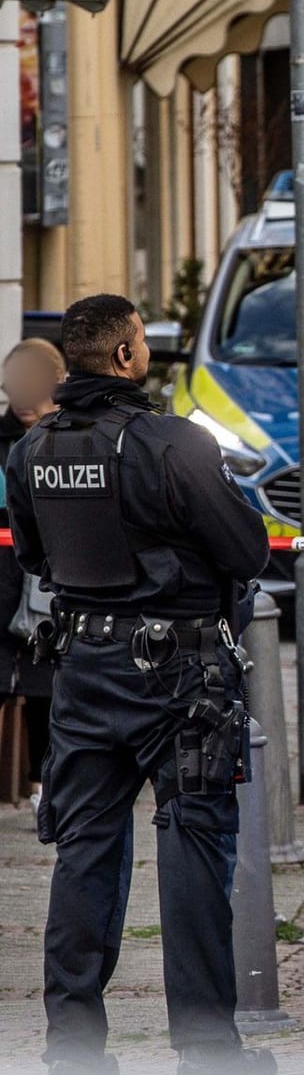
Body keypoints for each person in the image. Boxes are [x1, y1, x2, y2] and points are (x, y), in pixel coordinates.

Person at [7, 295, 272, 1075]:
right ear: (128, 355)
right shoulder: (172, 443)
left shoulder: (34, 449)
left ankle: (75, 1051)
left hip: (84, 670)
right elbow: (247, 548)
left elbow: (34, 551)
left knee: (84, 850)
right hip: (179, 675)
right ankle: (206, 1050)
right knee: (193, 845)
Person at [0, 339, 66, 801]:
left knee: (48, 688)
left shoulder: (71, 438)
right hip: (4, 581)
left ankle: (45, 784)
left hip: (51, 582)